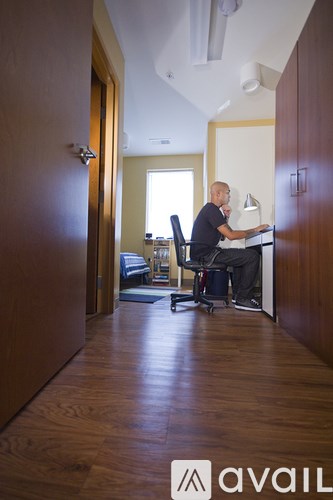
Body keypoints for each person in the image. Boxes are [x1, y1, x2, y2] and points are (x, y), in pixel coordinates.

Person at [190, 181, 269, 311]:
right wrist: (255, 229)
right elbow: (231, 235)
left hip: (207, 253)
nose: (229, 197)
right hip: (206, 255)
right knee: (252, 256)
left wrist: (226, 217)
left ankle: (238, 296)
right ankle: (243, 299)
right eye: (227, 193)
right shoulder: (211, 210)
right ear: (218, 194)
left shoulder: (213, 210)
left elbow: (223, 236)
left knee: (241, 256)